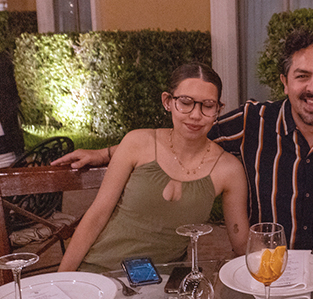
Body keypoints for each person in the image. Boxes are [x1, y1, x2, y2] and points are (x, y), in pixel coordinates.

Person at [54, 28, 313, 256]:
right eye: (302, 76)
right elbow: (183, 136)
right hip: (267, 264)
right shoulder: (254, 122)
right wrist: (106, 152)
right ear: (284, 82)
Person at [58, 63, 249, 273]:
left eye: (208, 105)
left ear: (218, 109)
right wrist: (61, 279)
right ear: (167, 101)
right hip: (101, 270)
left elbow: (242, 245)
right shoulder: (137, 142)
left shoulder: (228, 170)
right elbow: (97, 215)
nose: (196, 114)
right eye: (185, 103)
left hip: (163, 282)